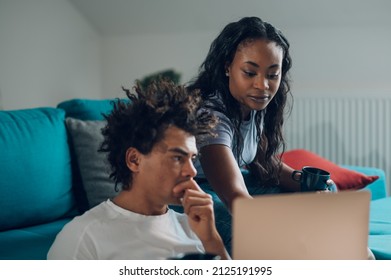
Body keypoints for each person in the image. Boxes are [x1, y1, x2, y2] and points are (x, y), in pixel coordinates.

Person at [47, 79, 230, 260]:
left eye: (193, 158)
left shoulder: (194, 228)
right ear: (134, 160)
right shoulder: (83, 237)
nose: (192, 171)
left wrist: (211, 239)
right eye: (177, 158)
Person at [187, 16, 312, 253]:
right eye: (250, 72)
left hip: (234, 190)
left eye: (272, 75)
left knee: (325, 195)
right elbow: (235, 195)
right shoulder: (210, 116)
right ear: (227, 67)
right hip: (197, 195)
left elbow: (263, 161)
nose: (262, 85)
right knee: (240, 225)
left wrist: (306, 182)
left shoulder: (253, 104)